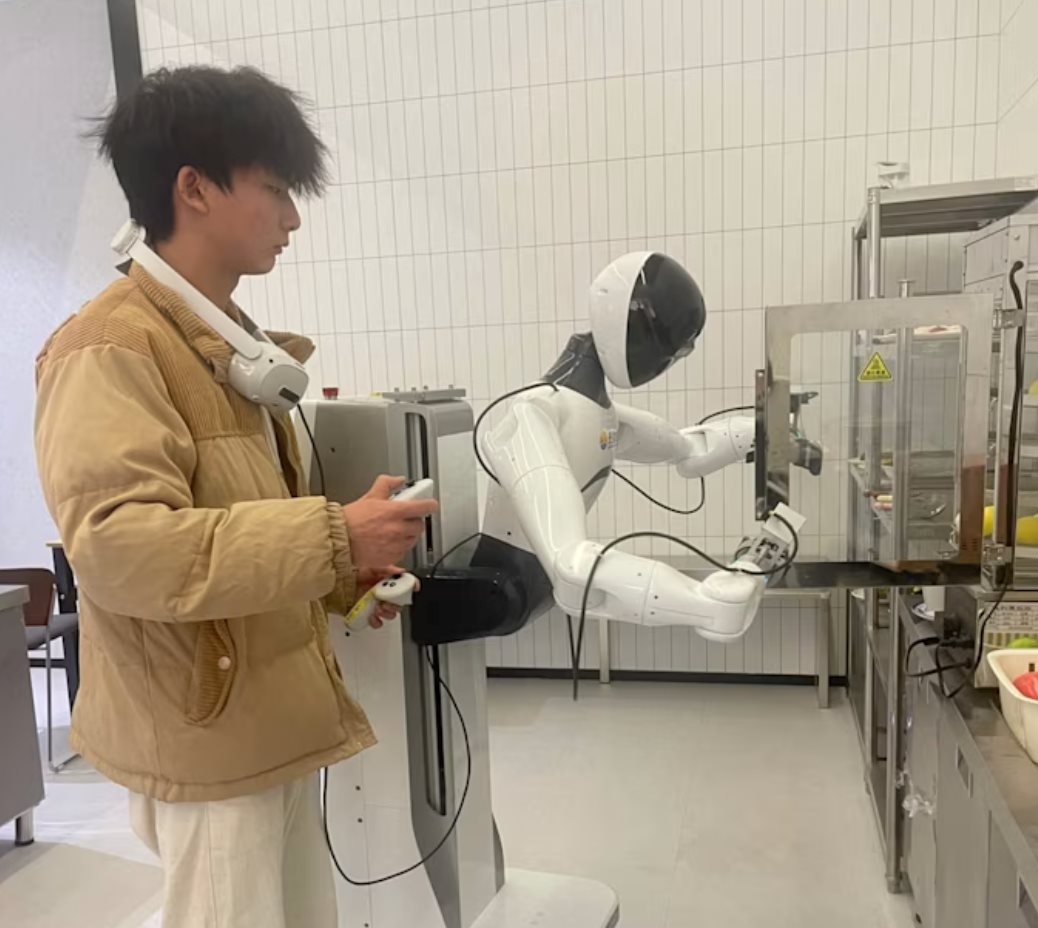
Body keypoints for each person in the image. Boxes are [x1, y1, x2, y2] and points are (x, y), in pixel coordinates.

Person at [33, 65, 438, 927]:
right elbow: (121, 551)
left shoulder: (227, 348)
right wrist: (335, 537)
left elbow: (235, 524)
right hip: (207, 736)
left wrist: (344, 571)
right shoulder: (110, 348)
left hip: (267, 719)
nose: (293, 218)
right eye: (277, 189)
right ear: (194, 189)